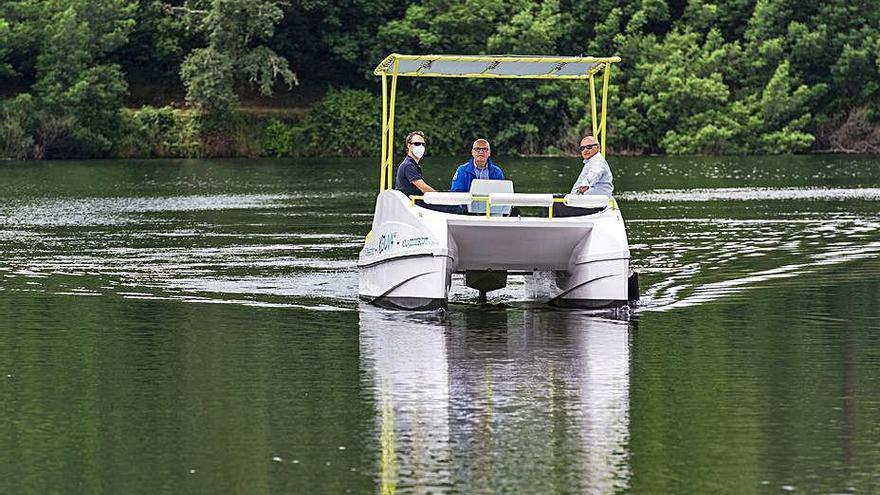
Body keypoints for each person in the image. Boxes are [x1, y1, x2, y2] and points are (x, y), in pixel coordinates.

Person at [394, 130, 461, 213]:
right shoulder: (408, 165)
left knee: (453, 199)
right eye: (417, 144)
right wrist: (440, 198)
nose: (421, 146)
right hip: (414, 204)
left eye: (423, 144)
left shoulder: (413, 164)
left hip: (418, 201)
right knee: (458, 208)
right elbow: (423, 187)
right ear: (409, 146)